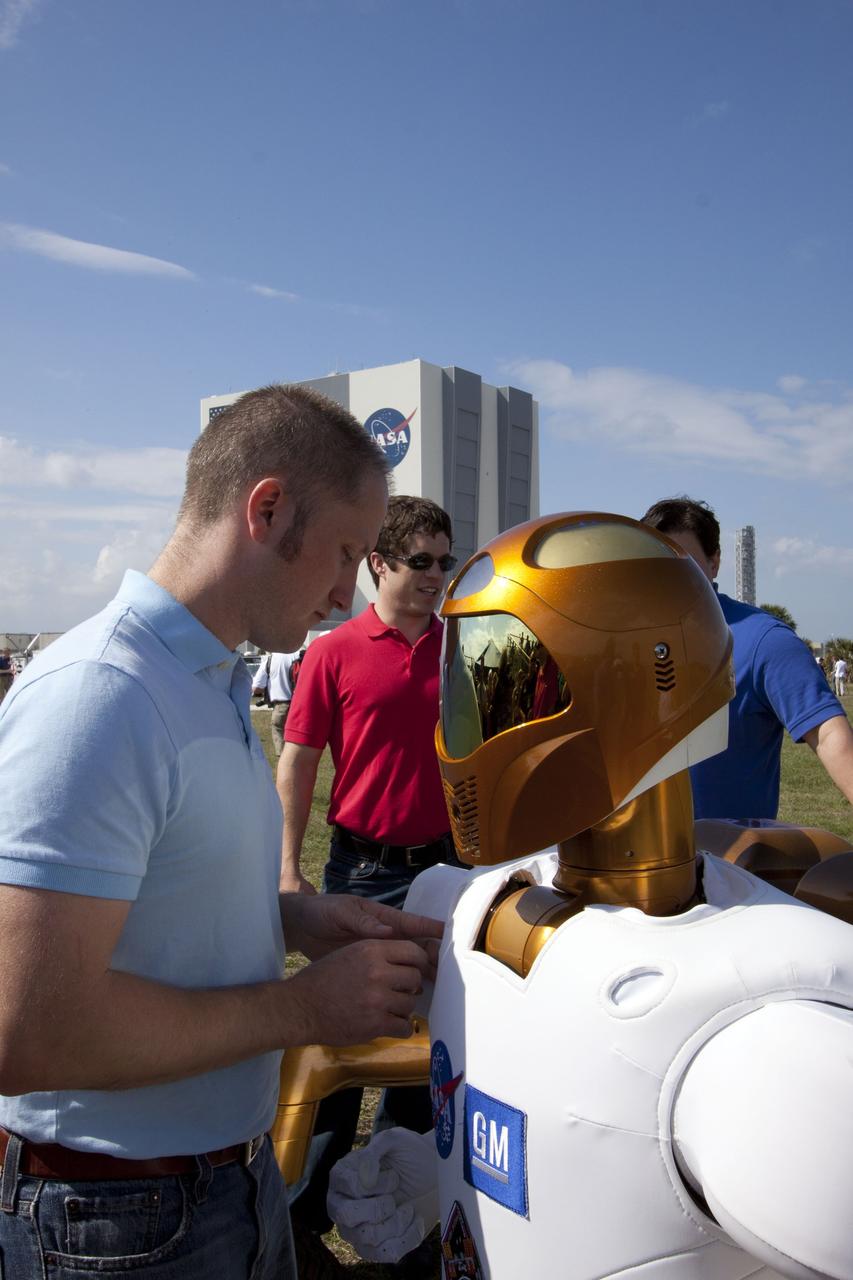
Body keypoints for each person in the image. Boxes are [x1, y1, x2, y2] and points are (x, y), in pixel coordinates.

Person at [326, 511, 853, 1280]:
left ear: (642, 682)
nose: (478, 719)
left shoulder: (763, 1046)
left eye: (515, 683)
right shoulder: (473, 901)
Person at [0, 384, 442, 1280]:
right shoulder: (100, 694)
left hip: (217, 1183)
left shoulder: (203, 683)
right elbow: (28, 1032)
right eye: (346, 552)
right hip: (114, 1213)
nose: (341, 588)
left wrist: (291, 920)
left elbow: (154, 900)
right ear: (267, 509)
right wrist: (301, 1008)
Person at [277, 493, 462, 1268]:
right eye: (420, 561)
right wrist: (288, 869)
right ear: (377, 564)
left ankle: (401, 1207)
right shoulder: (333, 650)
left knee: (426, 1049)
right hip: (362, 871)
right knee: (341, 1041)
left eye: (444, 562)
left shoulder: (466, 649)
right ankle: (302, 1215)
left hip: (449, 872)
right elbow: (298, 762)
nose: (435, 576)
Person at [641, 496, 853, 820]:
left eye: (683, 561)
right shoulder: (617, 640)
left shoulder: (765, 641)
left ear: (714, 562)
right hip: (628, 862)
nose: (668, 574)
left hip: (728, 864)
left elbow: (829, 736)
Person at [252, 648, 304, 756]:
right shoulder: (301, 655)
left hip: (281, 706)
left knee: (280, 739)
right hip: (302, 705)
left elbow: (257, 688)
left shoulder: (270, 660)